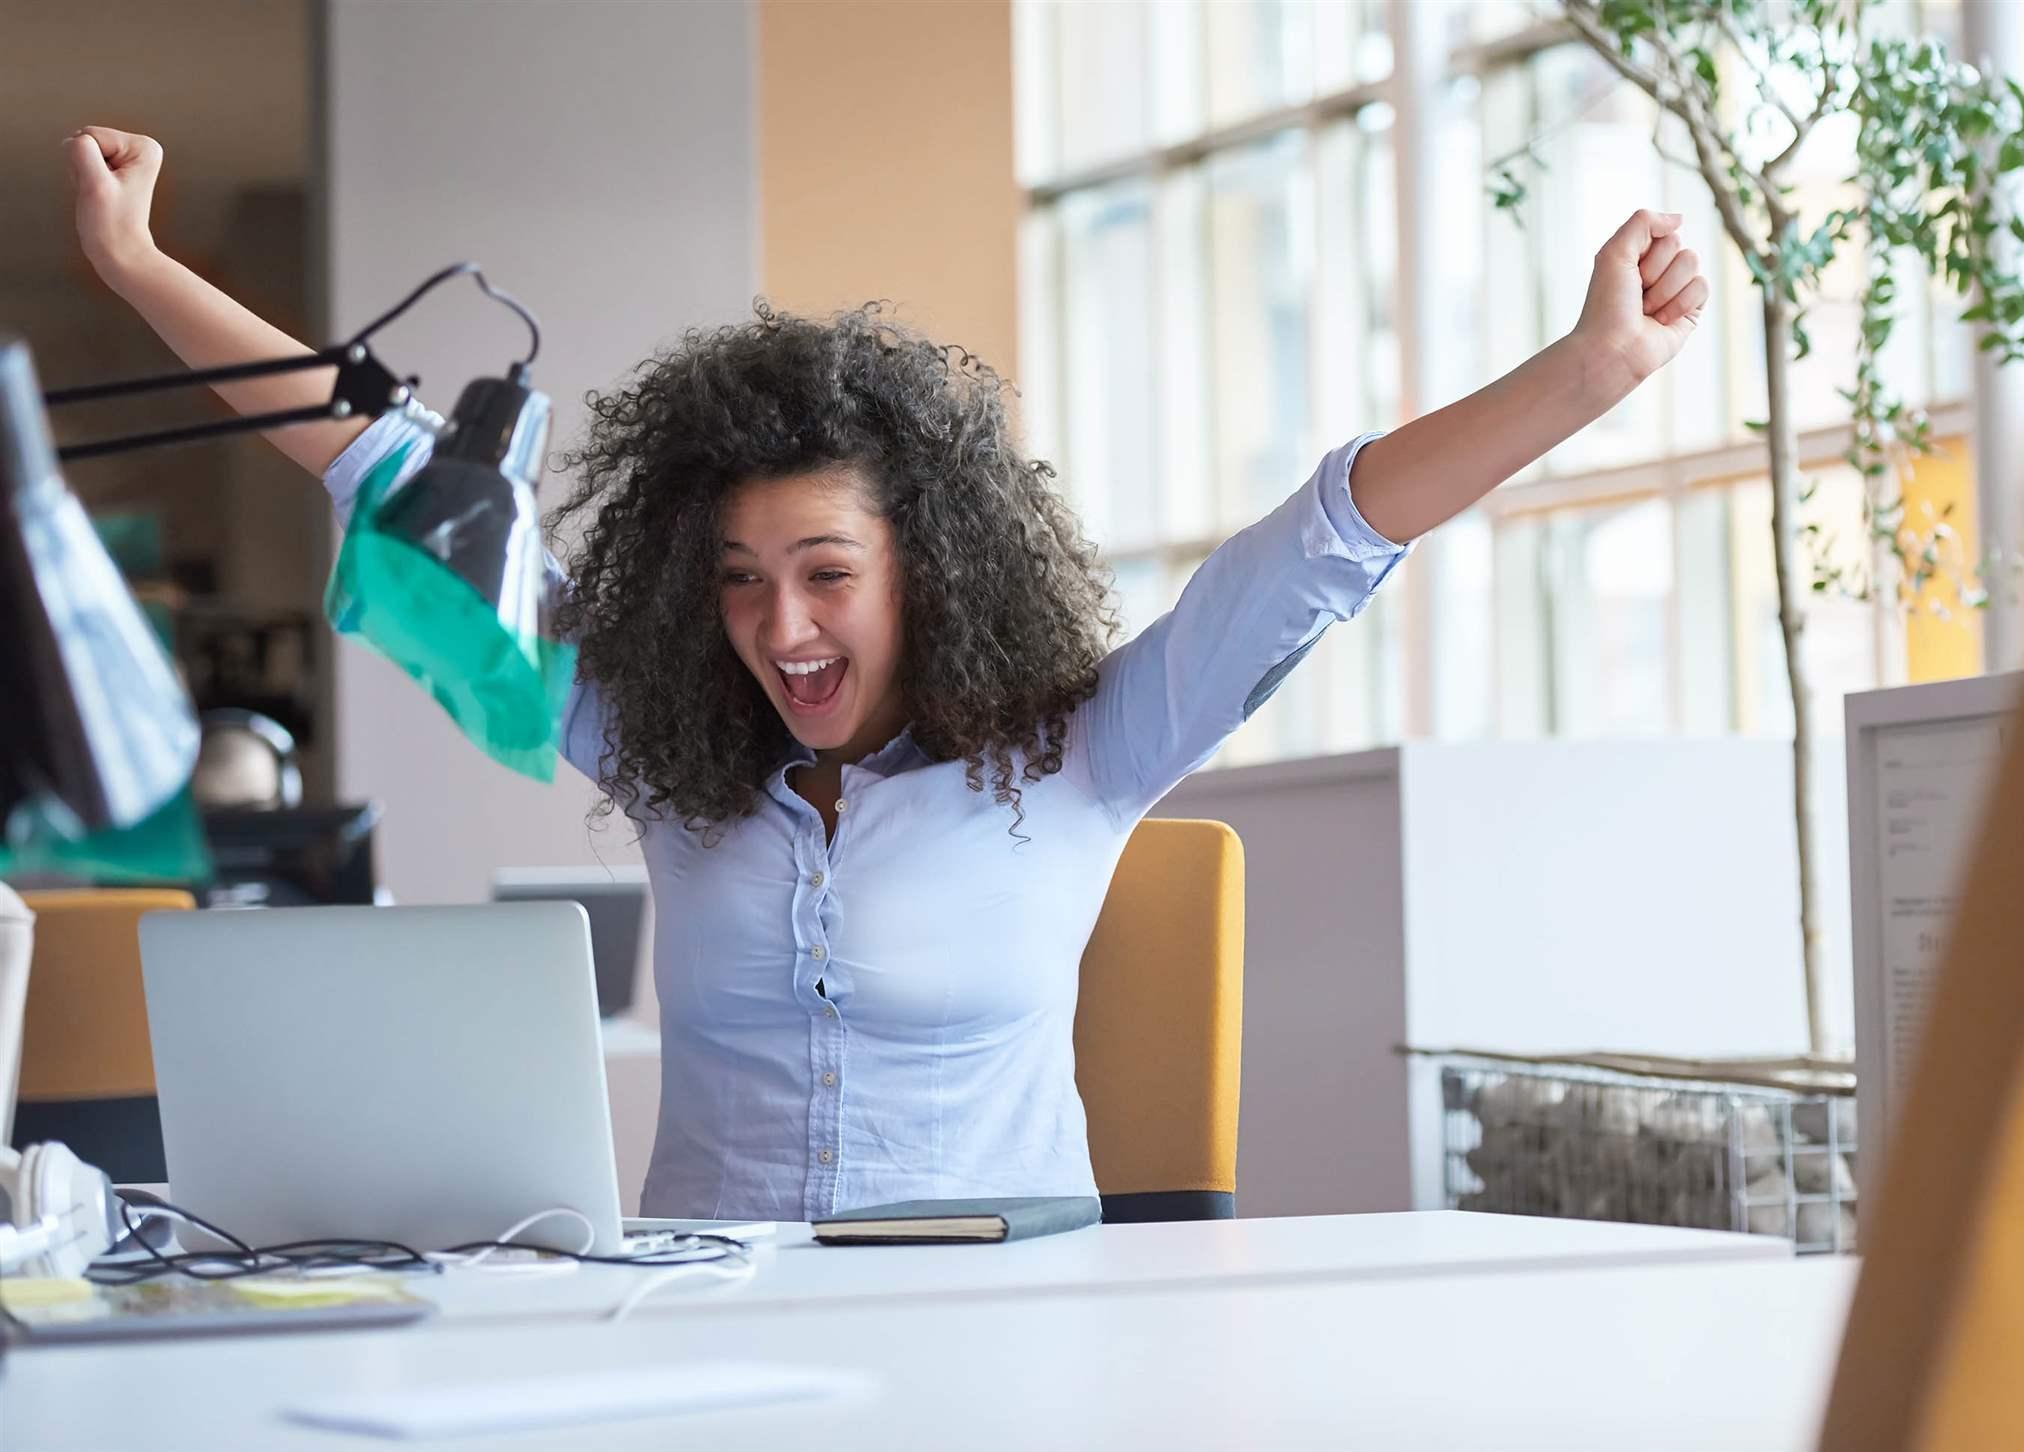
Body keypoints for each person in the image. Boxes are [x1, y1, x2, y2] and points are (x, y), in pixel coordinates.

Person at [66, 125, 1710, 1222]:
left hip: (1011, 1361)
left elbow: (1321, 542)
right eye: (738, 585)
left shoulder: (1088, 750)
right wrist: (140, 266)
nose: (783, 630)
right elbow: (393, 481)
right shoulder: (658, 742)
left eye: (828, 577)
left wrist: (1586, 373)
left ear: (930, 569)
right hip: (707, 1358)